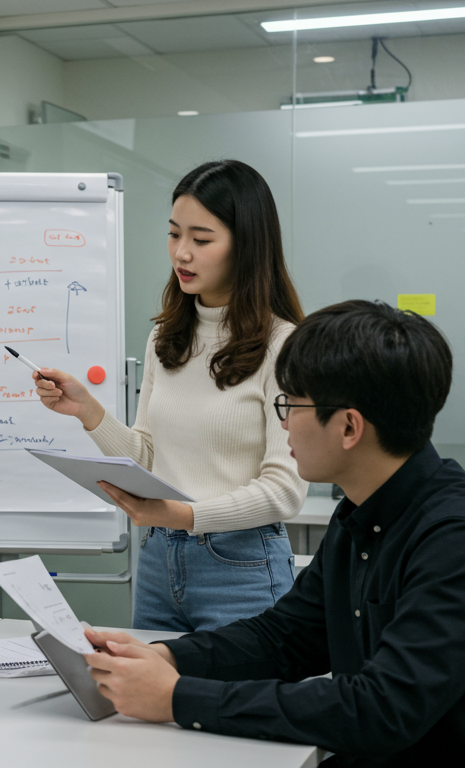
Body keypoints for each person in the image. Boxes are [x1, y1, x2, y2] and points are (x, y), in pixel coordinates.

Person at [80, 300, 465, 764]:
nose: (283, 423)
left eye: (292, 405)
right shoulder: (361, 514)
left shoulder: (462, 540)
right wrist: (169, 658)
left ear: (348, 427)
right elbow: (287, 637)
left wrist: (178, 698)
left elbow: (382, 710)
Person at [35, 159, 305, 631]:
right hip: (160, 560)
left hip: (240, 565)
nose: (181, 253)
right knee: (148, 704)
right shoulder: (167, 337)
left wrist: (183, 514)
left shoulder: (285, 345)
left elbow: (284, 491)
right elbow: (151, 456)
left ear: (248, 247)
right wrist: (89, 412)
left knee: (231, 704)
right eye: (174, 234)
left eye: (201, 240)